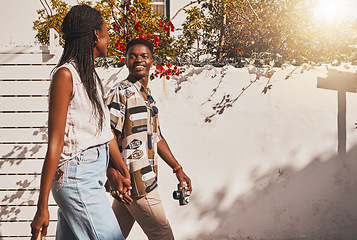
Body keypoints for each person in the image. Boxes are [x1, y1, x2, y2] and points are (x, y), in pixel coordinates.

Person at [30, 5, 130, 240]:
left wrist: (117, 170)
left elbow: (103, 133)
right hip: (76, 179)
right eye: (106, 31)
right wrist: (41, 206)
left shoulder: (90, 76)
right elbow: (56, 144)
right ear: (96, 34)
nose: (109, 38)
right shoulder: (65, 75)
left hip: (89, 175)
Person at [105, 38, 192, 240]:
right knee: (162, 235)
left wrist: (178, 169)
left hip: (135, 179)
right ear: (125, 61)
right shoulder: (121, 92)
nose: (138, 60)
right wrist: (114, 170)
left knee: (111, 237)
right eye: (132, 56)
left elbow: (157, 136)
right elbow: (108, 133)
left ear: (152, 61)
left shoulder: (147, 96)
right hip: (135, 180)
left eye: (144, 56)